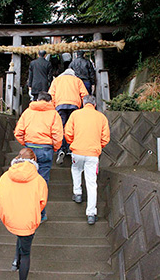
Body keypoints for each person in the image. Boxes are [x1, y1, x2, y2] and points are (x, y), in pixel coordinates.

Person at [0, 148, 48, 280]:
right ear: (33, 160)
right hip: (28, 220)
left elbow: (0, 197)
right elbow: (42, 203)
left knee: (20, 234)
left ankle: (15, 261)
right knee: (26, 253)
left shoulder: (5, 177)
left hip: (10, 218)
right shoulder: (39, 180)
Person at [14, 91, 62, 222]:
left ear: (37, 99)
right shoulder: (54, 114)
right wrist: (55, 148)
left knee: (27, 180)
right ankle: (41, 214)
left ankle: (26, 211)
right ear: (49, 101)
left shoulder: (27, 112)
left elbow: (18, 132)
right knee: (42, 182)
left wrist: (26, 144)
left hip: (30, 150)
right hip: (46, 149)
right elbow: (57, 135)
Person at [64, 95, 110, 225]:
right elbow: (105, 137)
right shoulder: (101, 117)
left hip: (77, 151)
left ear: (83, 103)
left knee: (76, 169)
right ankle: (91, 213)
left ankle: (77, 192)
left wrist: (72, 143)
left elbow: (67, 132)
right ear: (94, 104)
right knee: (91, 182)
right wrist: (99, 146)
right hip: (93, 154)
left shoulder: (75, 115)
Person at [48, 68, 89, 164]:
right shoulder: (78, 80)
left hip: (60, 106)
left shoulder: (56, 80)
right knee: (72, 128)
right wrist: (85, 107)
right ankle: (71, 149)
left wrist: (53, 107)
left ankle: (61, 149)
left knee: (61, 128)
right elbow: (85, 95)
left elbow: (51, 95)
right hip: (74, 106)